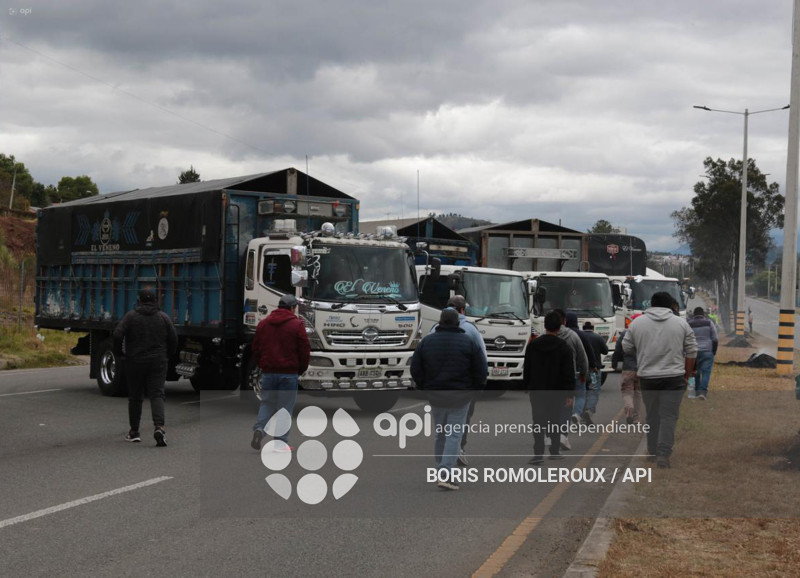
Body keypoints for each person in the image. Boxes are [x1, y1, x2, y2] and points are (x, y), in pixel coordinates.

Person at [411, 308, 487, 491]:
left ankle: (441, 469)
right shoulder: (468, 342)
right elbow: (481, 369)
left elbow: (415, 368)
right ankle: (446, 473)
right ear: (457, 323)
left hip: (435, 396)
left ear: (440, 322)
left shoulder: (427, 342)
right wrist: (474, 389)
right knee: (454, 435)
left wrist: (425, 387)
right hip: (460, 396)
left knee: (440, 434)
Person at [623, 292, 697, 468]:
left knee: (652, 415)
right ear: (670, 306)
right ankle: (663, 454)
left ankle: (652, 450)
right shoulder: (681, 323)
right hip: (674, 377)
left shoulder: (637, 323)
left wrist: (643, 352)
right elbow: (692, 350)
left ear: (651, 304)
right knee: (669, 416)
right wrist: (686, 374)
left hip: (648, 377)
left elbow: (626, 347)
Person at [113, 287, 178, 447]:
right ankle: (159, 427)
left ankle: (134, 431)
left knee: (135, 397)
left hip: (135, 361)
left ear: (139, 300)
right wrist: (167, 354)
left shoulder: (131, 317)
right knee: (157, 394)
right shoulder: (163, 318)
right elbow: (173, 339)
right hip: (158, 361)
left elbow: (117, 334)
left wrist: (120, 353)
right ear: (155, 300)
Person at [430, 295, 487, 466]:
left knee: (440, 430)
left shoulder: (433, 329)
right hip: (463, 388)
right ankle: (455, 455)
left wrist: (425, 384)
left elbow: (421, 360)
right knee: (459, 426)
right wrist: (478, 385)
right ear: (463, 310)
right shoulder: (471, 330)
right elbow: (481, 359)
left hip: (437, 388)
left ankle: (442, 465)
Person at [250, 294, 311, 452]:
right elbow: (304, 350)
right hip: (288, 373)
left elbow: (255, 348)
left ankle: (260, 430)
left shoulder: (263, 324)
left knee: (267, 403)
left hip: (269, 372)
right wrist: (300, 369)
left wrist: (262, 364)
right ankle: (280, 444)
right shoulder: (297, 325)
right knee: (285, 409)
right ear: (292, 308)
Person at [523, 311, 574, 464]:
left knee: (538, 421)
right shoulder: (564, 347)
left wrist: (528, 385)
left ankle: (538, 453)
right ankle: (554, 450)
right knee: (555, 420)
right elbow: (568, 373)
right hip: (557, 391)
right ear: (560, 327)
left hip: (537, 390)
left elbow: (527, 367)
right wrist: (569, 394)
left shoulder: (533, 345)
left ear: (544, 326)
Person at [553, 309, 588, 451]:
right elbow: (582, 357)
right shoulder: (573, 336)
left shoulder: (545, 337)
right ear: (564, 321)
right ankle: (562, 435)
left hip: (549, 378)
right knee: (566, 407)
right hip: (568, 377)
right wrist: (583, 373)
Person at [565, 312, 598, 425]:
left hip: (564, 372)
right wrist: (592, 366)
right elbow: (587, 353)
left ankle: (564, 419)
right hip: (579, 370)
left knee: (565, 396)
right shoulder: (581, 335)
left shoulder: (560, 334)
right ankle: (576, 414)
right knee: (580, 394)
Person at [611, 314, 644, 424]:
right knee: (638, 393)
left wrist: (614, 363)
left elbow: (618, 349)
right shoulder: (645, 333)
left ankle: (629, 411)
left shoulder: (625, 333)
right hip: (641, 367)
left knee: (627, 392)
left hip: (628, 368)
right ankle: (636, 418)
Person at [581, 321, 609, 424]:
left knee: (582, 391)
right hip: (594, 370)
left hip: (582, 369)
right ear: (593, 328)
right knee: (593, 391)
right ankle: (589, 411)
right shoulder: (598, 337)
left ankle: (581, 414)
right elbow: (605, 351)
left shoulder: (579, 337)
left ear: (583, 328)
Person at [688, 306, 718, 401]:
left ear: (694, 315)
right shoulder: (709, 323)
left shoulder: (689, 324)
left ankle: (696, 391)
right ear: (703, 314)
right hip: (707, 351)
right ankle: (703, 392)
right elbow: (715, 338)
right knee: (706, 372)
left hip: (694, 352)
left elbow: (686, 338)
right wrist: (714, 351)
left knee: (695, 372)